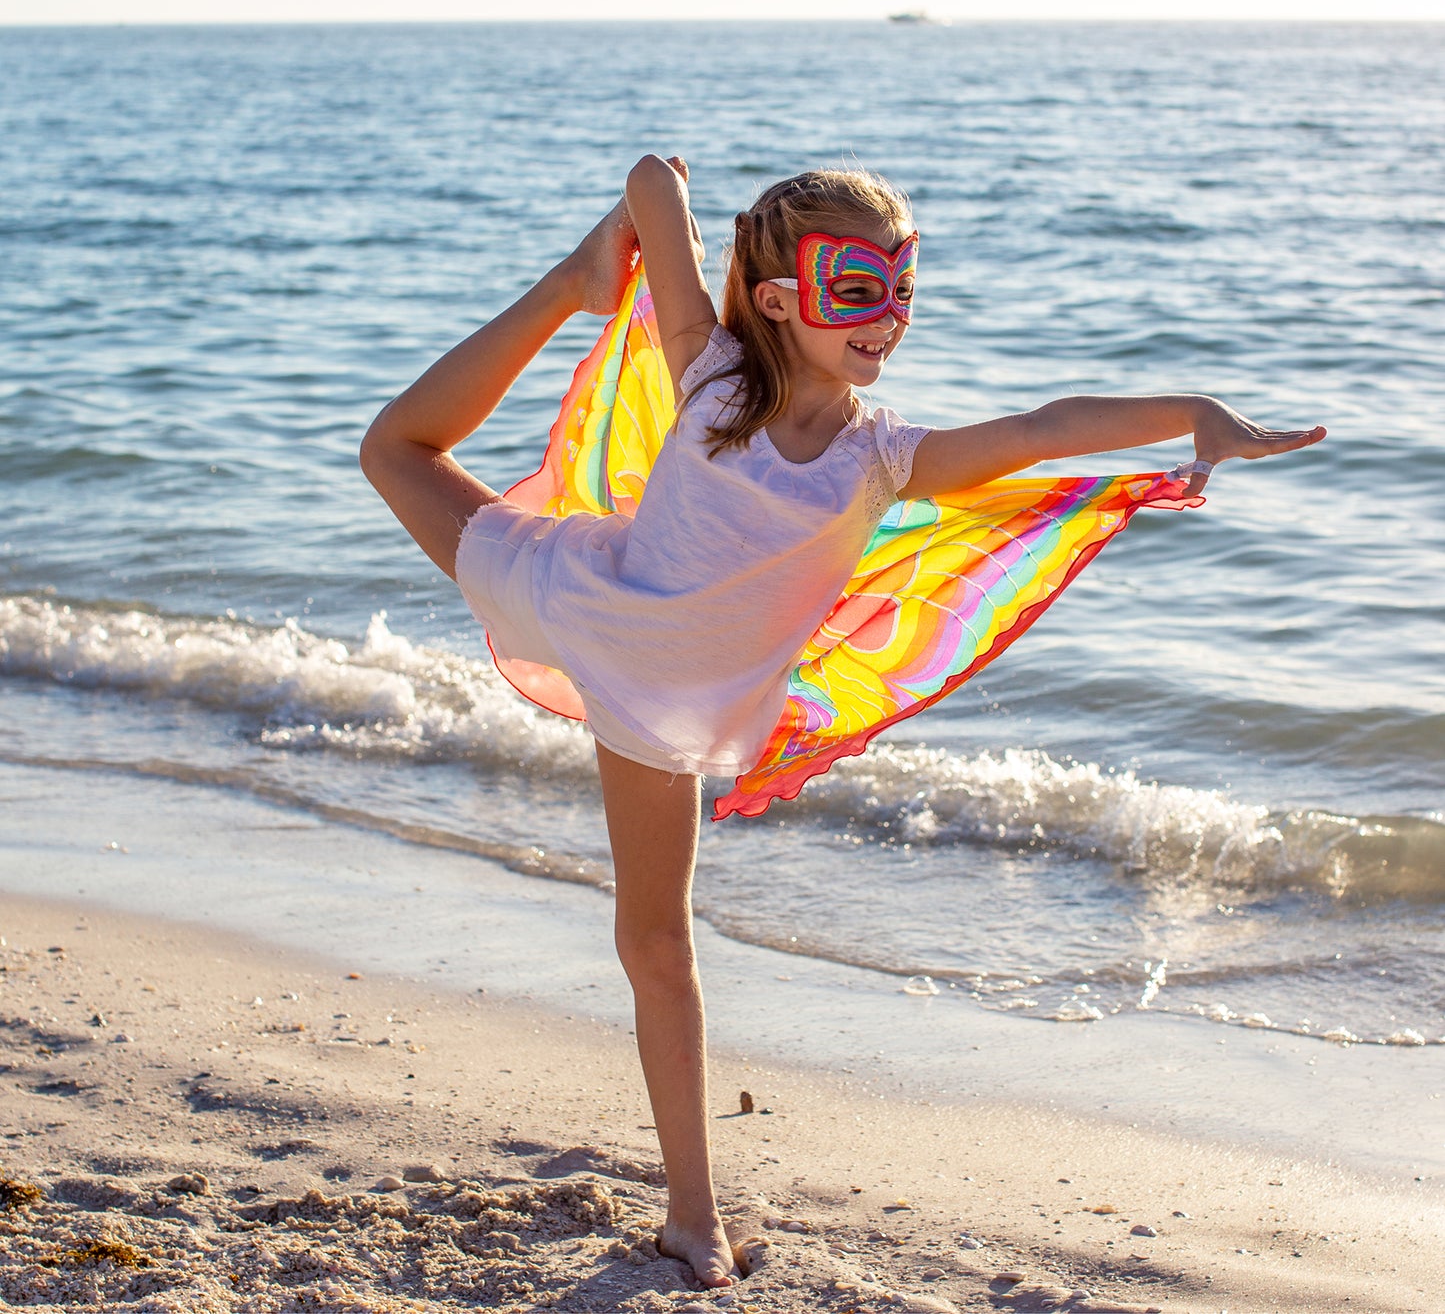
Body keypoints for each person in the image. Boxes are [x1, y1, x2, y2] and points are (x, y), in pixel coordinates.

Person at [360, 154, 1325, 1287]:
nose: (889, 318)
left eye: (902, 289)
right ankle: (570, 282)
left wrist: (1190, 411)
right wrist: (644, 202)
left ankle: (691, 1216)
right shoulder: (707, 373)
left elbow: (1042, 424)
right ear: (777, 299)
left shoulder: (884, 457)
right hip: (577, 603)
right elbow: (651, 190)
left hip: (657, 692)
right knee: (395, 449)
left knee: (656, 944)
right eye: (856, 289)